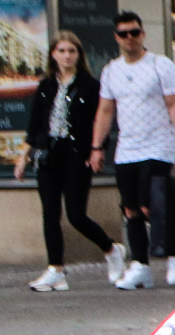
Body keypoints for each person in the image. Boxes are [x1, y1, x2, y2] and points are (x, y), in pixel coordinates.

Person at [91, 11, 175, 289]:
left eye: (135, 32)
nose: (130, 38)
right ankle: (141, 266)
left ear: (143, 34)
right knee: (131, 208)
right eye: (124, 34)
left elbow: (174, 105)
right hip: (127, 148)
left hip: (158, 144)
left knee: (152, 204)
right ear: (116, 38)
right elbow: (106, 110)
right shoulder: (111, 70)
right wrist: (97, 147)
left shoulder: (161, 65)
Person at [13, 32, 117, 291]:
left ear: (79, 55)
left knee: (76, 215)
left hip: (77, 153)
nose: (67, 55)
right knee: (50, 213)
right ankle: (55, 270)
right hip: (50, 154)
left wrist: (97, 150)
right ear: (53, 54)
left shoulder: (90, 86)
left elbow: (100, 121)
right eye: (62, 50)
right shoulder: (46, 85)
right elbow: (35, 124)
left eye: (72, 50)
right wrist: (23, 156)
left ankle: (111, 248)